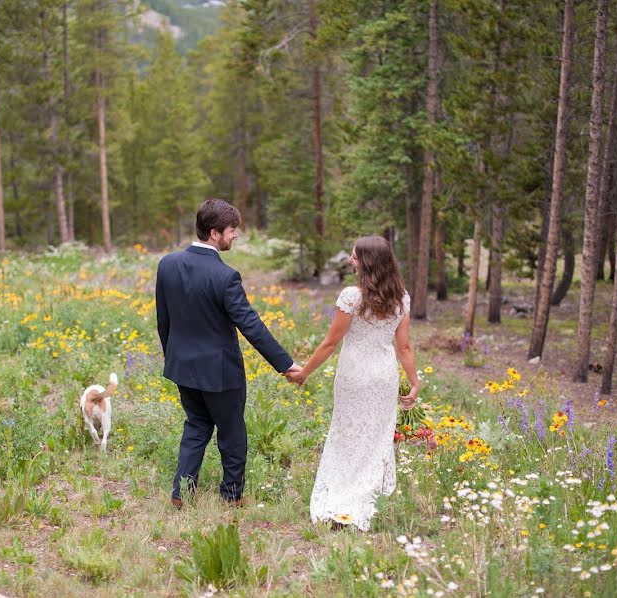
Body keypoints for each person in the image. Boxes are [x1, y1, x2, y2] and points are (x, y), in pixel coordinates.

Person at [156, 199, 301, 509]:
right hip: (220, 373)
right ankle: (231, 496)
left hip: (183, 367)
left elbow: (163, 321)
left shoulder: (167, 264)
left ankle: (182, 492)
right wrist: (286, 364)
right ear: (214, 232)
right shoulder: (225, 277)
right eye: (232, 230)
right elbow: (251, 326)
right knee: (232, 433)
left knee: (196, 425)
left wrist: (175, 358)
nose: (236, 236)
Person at [285, 235, 420, 531]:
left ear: (367, 262)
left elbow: (331, 342)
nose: (350, 260)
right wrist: (414, 382)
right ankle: (363, 494)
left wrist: (304, 372)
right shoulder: (401, 298)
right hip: (384, 375)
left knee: (348, 433)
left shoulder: (352, 296)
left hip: (355, 375)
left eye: (355, 256)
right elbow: (405, 348)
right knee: (375, 436)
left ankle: (343, 497)